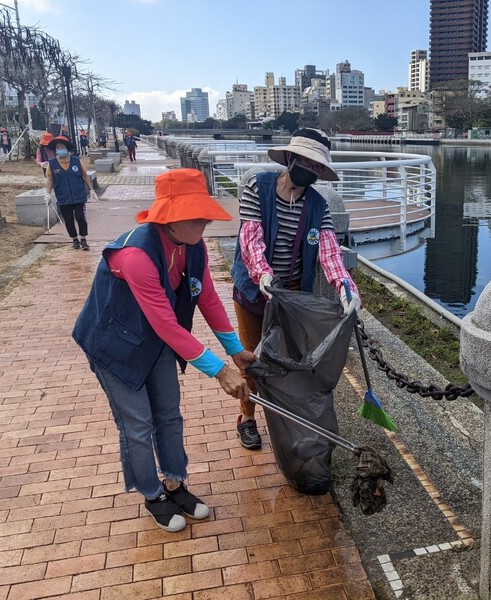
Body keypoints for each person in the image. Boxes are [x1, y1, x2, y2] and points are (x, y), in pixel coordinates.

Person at [72, 168, 256, 532]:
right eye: (196, 216)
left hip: (154, 342)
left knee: (169, 414)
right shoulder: (136, 255)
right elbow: (167, 324)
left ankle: (174, 481)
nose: (204, 221)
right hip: (114, 345)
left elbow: (205, 297)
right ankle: (152, 492)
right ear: (170, 217)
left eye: (205, 213)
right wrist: (219, 371)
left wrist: (235, 350)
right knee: (138, 424)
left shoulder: (193, 246)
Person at [230, 128, 360, 449]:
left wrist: (345, 288)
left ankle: (287, 421)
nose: (310, 169)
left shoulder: (318, 206)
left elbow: (329, 253)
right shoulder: (256, 188)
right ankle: (246, 417)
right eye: (306, 161)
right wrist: (262, 274)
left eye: (317, 166)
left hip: (292, 297)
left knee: (287, 361)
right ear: (290, 158)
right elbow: (251, 239)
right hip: (252, 291)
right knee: (251, 359)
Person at [44, 135, 99, 250]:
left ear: (67, 148)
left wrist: (91, 189)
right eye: (58, 147)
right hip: (63, 197)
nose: (60, 149)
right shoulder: (52, 164)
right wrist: (48, 194)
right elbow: (50, 179)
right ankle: (74, 239)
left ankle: (83, 239)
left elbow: (84, 175)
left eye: (62, 146)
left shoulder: (76, 161)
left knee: (80, 217)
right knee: (68, 219)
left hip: (78, 195)